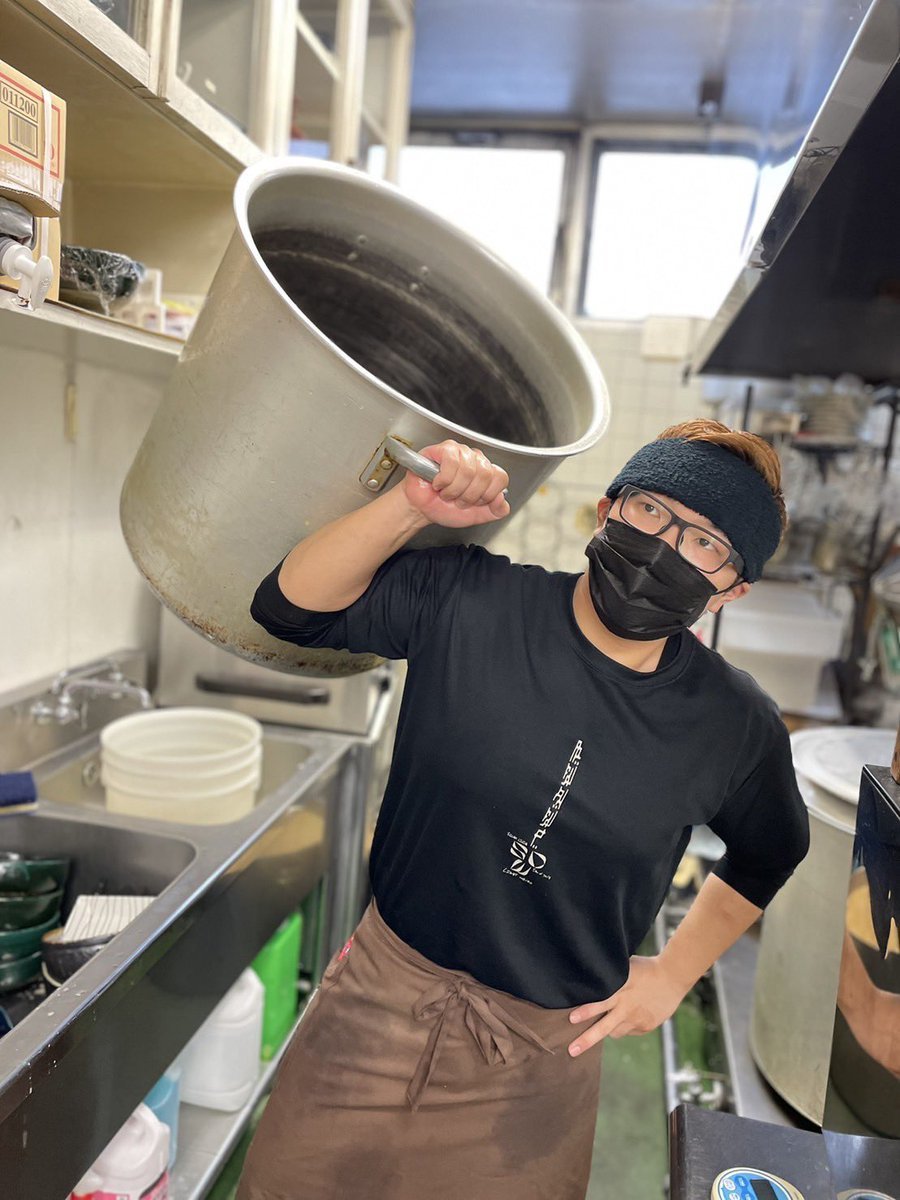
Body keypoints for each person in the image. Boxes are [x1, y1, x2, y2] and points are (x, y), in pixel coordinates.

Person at [235, 418, 810, 1200]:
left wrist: (673, 976)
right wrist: (411, 503)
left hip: (539, 1068)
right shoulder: (469, 598)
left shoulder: (733, 725)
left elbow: (772, 850)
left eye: (706, 543)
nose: (667, 548)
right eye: (652, 512)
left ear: (732, 587)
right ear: (608, 509)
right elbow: (287, 608)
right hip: (374, 1003)